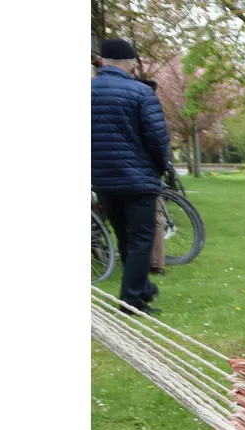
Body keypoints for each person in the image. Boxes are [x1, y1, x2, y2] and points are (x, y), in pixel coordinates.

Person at [91, 38, 172, 315]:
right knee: (140, 239)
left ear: (102, 62)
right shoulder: (140, 93)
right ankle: (132, 300)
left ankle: (141, 289)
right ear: (130, 64)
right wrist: (162, 167)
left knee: (125, 237)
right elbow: (157, 138)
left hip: (103, 178)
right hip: (138, 179)